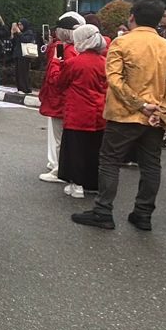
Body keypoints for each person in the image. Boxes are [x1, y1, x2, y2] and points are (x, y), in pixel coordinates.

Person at [71, 0, 166, 233]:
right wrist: (163, 109)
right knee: (151, 165)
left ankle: (103, 210)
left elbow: (114, 79)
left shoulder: (121, 43)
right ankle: (143, 214)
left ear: (132, 16)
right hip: (156, 117)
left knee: (110, 160)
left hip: (123, 115)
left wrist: (140, 104)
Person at [47, 23, 109, 198]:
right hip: (99, 112)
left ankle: (77, 184)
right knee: (93, 150)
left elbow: (58, 82)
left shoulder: (74, 63)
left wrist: (56, 62)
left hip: (78, 112)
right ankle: (92, 183)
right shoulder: (105, 62)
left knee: (75, 150)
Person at [36, 13, 84, 184]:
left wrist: (55, 62)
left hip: (60, 99)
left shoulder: (64, 50)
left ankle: (58, 169)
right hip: (71, 99)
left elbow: (55, 78)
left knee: (58, 137)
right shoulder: (79, 49)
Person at [10, 20, 39, 94]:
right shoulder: (19, 33)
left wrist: (19, 32)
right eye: (18, 25)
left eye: (21, 25)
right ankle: (20, 88)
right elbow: (14, 42)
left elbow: (25, 40)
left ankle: (24, 88)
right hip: (18, 54)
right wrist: (12, 33)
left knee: (23, 72)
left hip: (24, 55)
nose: (19, 26)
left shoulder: (29, 32)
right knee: (18, 72)